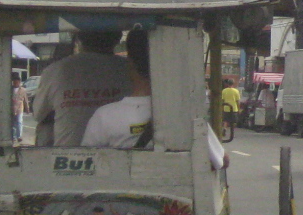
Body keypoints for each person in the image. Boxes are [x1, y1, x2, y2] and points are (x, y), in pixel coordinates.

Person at [82, 27, 226, 172]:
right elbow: (221, 161)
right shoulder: (184, 113)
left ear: (130, 64)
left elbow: (87, 164)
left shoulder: (104, 116)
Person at [30, 28, 134, 147]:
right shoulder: (131, 69)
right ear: (118, 38)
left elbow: (38, 114)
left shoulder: (55, 70)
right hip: (122, 152)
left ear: (79, 38)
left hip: (67, 154)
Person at [220, 77, 241, 142]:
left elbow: (222, 100)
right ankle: (232, 132)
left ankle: (225, 128)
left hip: (226, 108)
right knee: (234, 121)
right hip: (234, 108)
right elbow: (237, 101)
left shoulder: (224, 91)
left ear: (227, 83)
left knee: (225, 120)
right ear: (233, 83)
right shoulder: (236, 91)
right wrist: (239, 109)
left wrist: (222, 107)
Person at [11, 72, 28, 143]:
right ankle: (13, 137)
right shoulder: (10, 89)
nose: (16, 83)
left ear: (19, 82)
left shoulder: (23, 90)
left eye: (17, 82)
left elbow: (25, 100)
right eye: (14, 82)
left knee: (19, 121)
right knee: (13, 123)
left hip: (19, 109)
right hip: (12, 108)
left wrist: (27, 108)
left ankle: (19, 136)